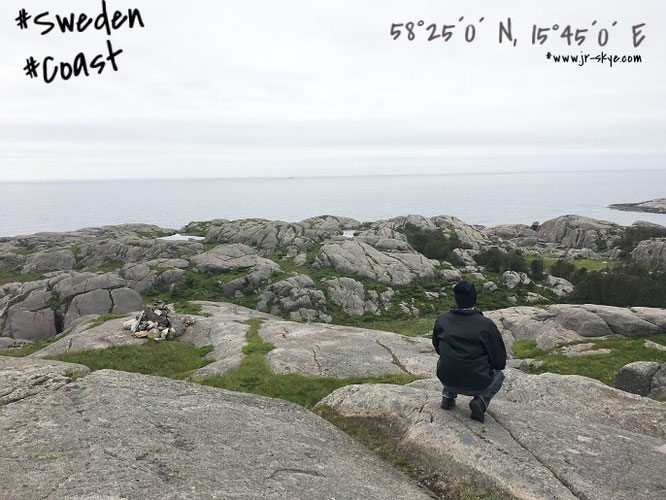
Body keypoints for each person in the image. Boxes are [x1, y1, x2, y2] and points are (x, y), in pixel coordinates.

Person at [432, 280, 507, 423]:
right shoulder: (486, 325)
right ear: (475, 299)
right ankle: (480, 401)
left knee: (449, 359)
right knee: (500, 375)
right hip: (477, 383)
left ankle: (448, 397)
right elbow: (499, 361)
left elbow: (437, 347)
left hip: (447, 378)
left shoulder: (442, 319)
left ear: (456, 299)